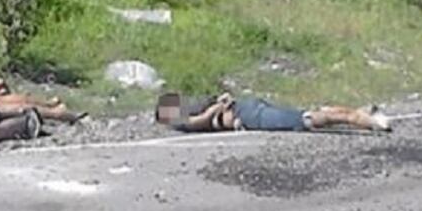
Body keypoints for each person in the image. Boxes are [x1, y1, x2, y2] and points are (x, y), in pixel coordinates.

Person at [156, 92, 392, 133]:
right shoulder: (179, 120)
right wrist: (218, 106)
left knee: (302, 119)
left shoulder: (184, 114)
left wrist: (219, 105)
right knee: (303, 116)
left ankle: (362, 119)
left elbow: (202, 120)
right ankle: (360, 114)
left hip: (246, 114)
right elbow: (200, 120)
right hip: (245, 111)